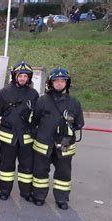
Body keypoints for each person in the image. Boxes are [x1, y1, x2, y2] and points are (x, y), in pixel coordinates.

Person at [30, 68, 84, 210]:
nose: (59, 83)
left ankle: (62, 199)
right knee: (40, 171)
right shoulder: (42, 101)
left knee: (63, 172)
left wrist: (69, 128)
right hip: (43, 143)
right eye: (56, 81)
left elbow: (79, 123)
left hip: (65, 144)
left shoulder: (74, 102)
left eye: (62, 81)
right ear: (51, 83)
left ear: (67, 83)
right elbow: (34, 121)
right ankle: (39, 196)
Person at [0, 61, 39, 202]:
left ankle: (25, 192)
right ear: (15, 76)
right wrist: (4, 125)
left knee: (26, 167)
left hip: (26, 137)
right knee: (6, 166)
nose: (22, 78)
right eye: (20, 76)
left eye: (25, 76)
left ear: (29, 78)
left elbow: (36, 116)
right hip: (8, 137)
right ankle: (5, 191)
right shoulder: (4, 92)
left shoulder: (34, 94)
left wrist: (32, 128)